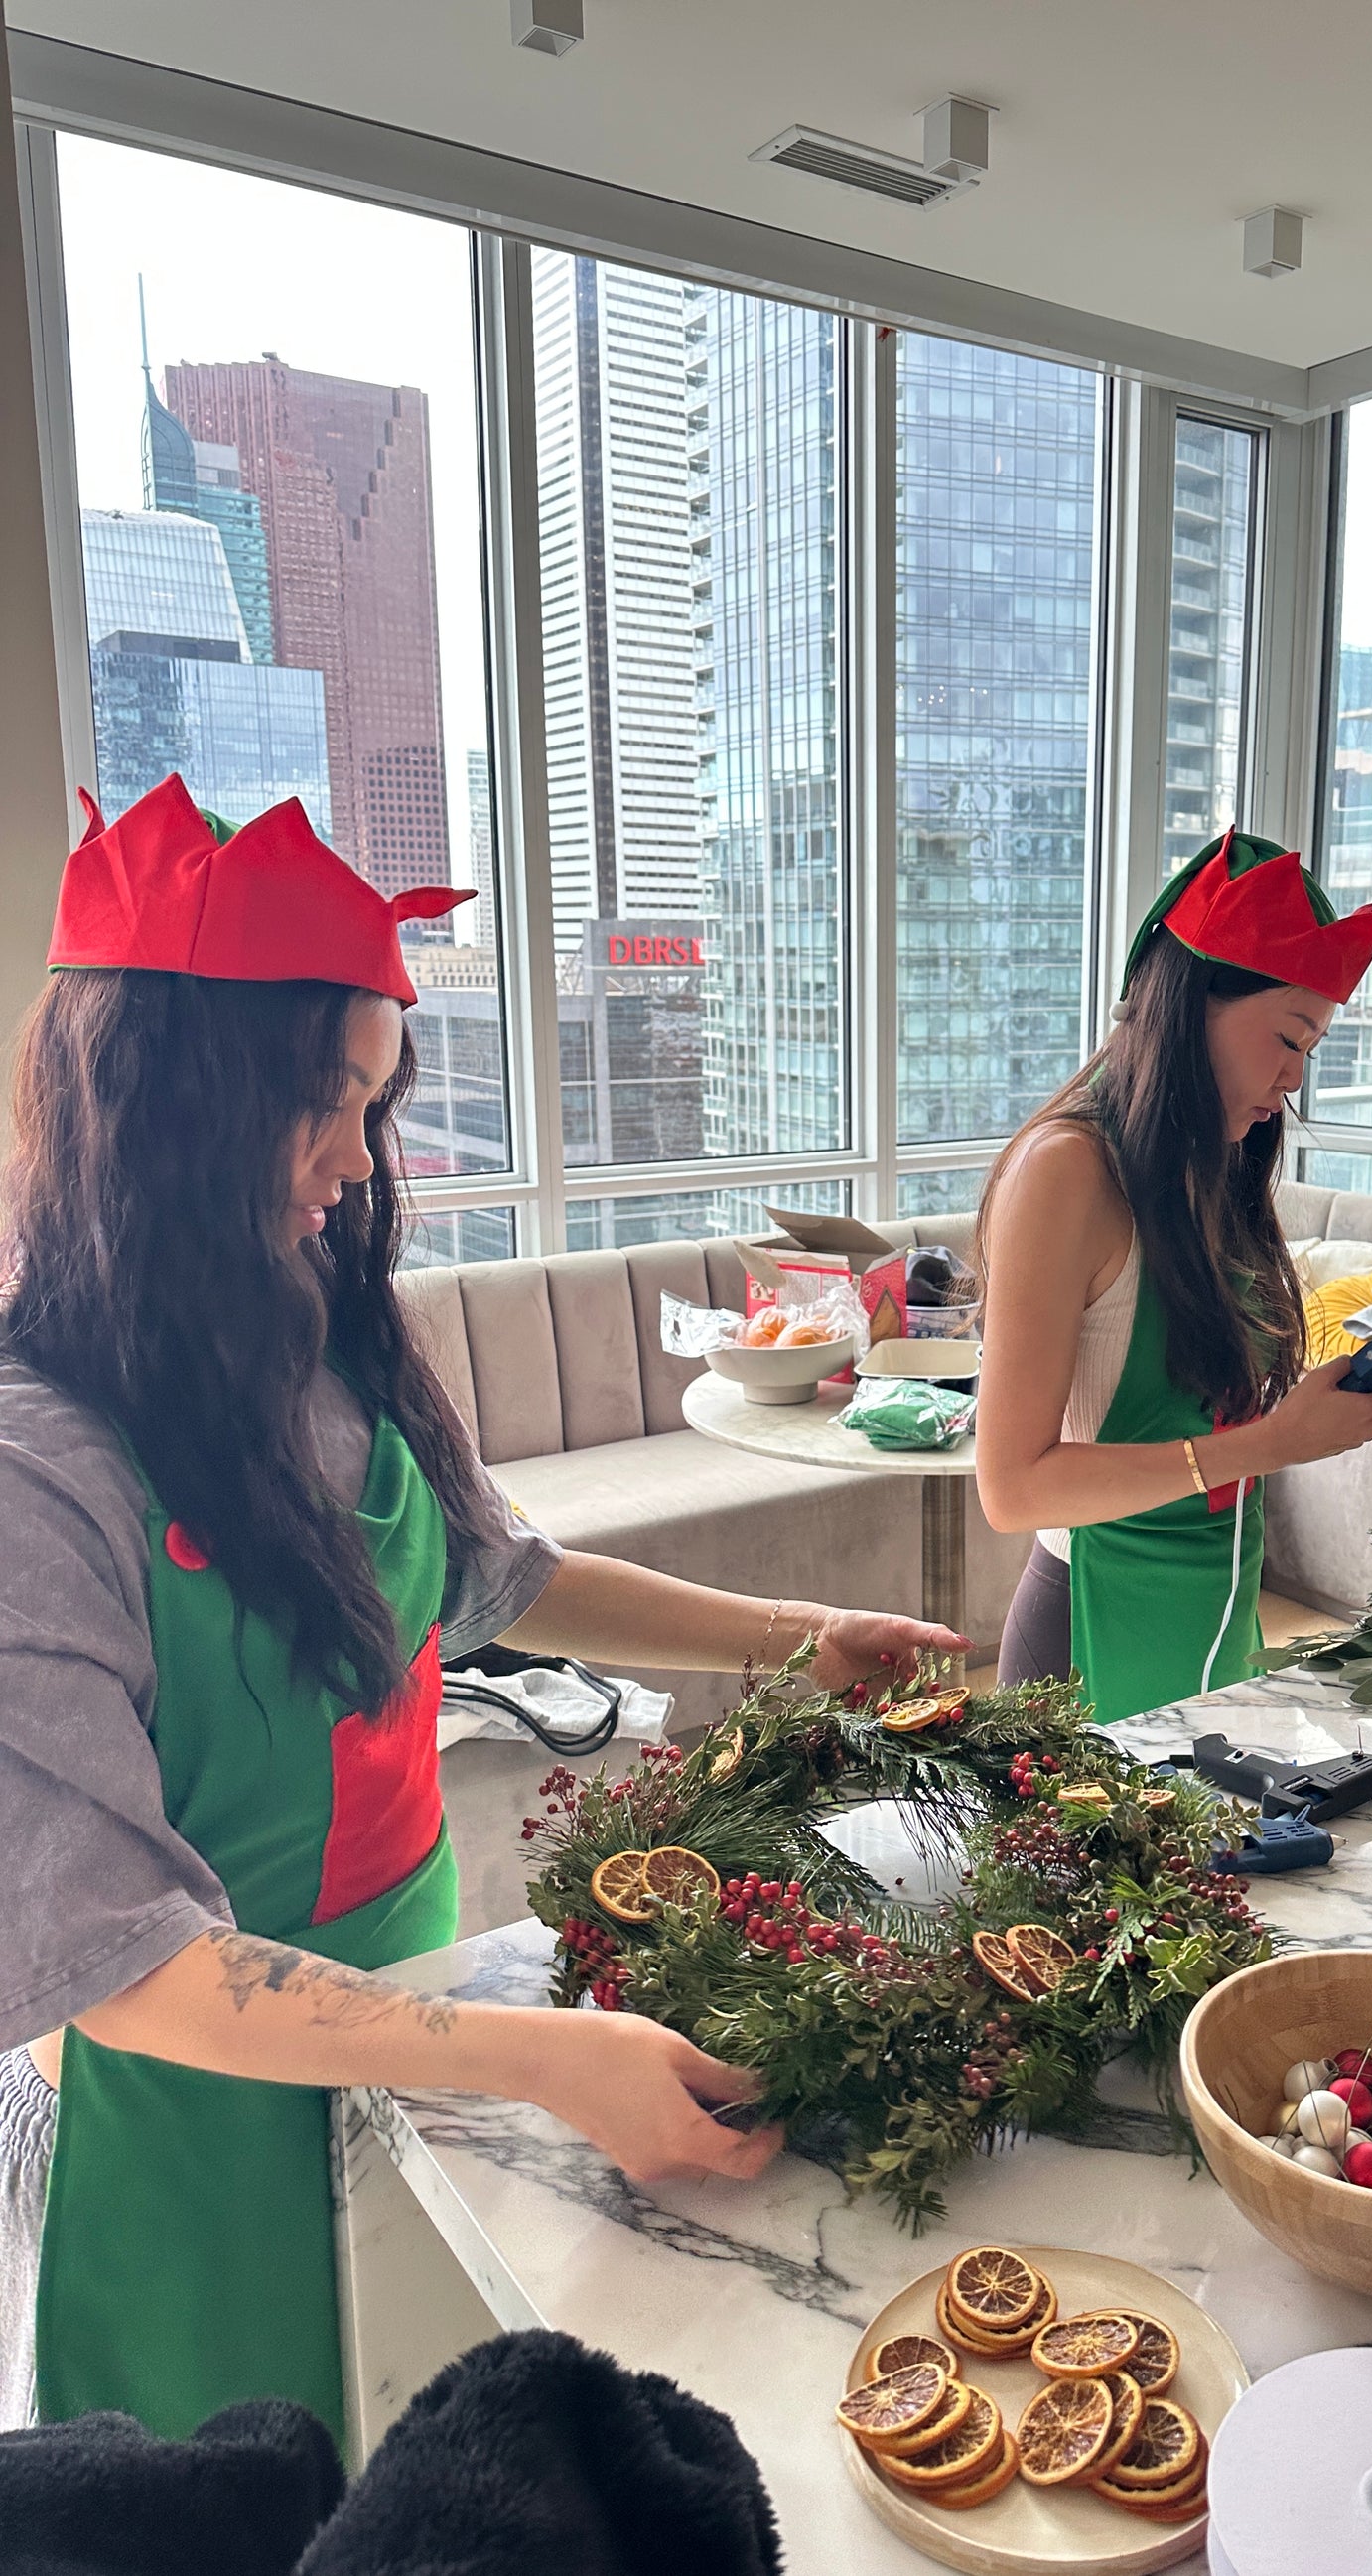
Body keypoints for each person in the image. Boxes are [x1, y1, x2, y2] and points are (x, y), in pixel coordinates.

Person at [0, 776, 966, 2443]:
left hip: (429, 1978)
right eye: (320, 1098)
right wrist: (533, 2058)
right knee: (257, 2480)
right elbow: (117, 1958)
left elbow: (503, 1577)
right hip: (211, 2097)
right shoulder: (38, 1461)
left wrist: (797, 1642)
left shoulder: (311, 1323)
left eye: (374, 1103)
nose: (355, 1160)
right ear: (151, 1100)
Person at [975, 828, 1372, 1725]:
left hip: (1209, 1614)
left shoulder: (1207, 1162)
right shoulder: (1063, 1172)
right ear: (1190, 1004)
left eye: (1311, 1049)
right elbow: (1012, 1487)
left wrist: (1359, 1406)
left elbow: (1199, 1402)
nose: (1293, 1079)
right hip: (1089, 1636)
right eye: (1289, 1038)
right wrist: (1270, 1444)